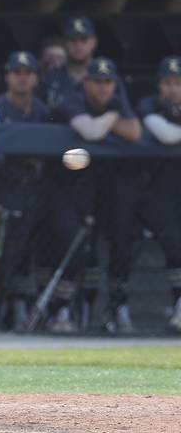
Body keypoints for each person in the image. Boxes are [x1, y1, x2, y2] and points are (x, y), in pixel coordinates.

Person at [49, 57, 141, 333]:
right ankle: (61, 309)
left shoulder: (117, 100)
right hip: (66, 187)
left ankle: (114, 308)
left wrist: (111, 116)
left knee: (121, 238)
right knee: (73, 244)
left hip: (105, 185)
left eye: (108, 82)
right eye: (97, 82)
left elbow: (135, 132)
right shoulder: (72, 99)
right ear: (86, 83)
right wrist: (114, 118)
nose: (103, 88)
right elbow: (90, 131)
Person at [0, 52, 52, 331]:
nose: (22, 77)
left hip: (35, 193)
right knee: (3, 255)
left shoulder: (42, 111)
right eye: (17, 72)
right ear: (8, 76)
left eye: (28, 72)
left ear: (36, 77)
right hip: (1, 193)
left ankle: (20, 306)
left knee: (30, 252)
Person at [135, 56, 181, 332]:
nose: (173, 89)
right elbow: (164, 135)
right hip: (157, 191)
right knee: (175, 245)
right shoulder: (149, 104)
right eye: (167, 83)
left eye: (178, 83)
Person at [38, 17, 131, 113]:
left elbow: (126, 115)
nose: (78, 45)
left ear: (94, 42)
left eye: (84, 40)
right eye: (72, 40)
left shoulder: (108, 78)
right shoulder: (50, 78)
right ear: (65, 43)